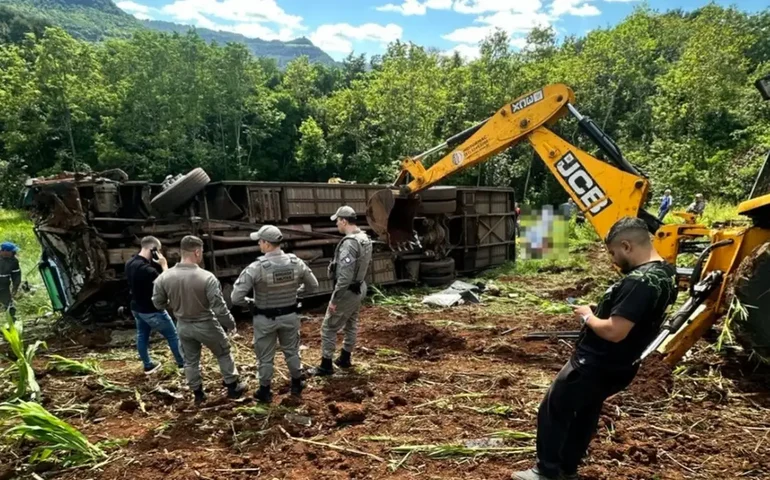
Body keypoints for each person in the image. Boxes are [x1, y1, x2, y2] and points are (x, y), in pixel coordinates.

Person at [513, 217, 677, 480]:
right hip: (622, 364)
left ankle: (546, 472)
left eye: (613, 253)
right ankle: (567, 469)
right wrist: (604, 309)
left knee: (554, 409)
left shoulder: (639, 282)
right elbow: (634, 317)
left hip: (595, 363)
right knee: (585, 412)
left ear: (626, 246)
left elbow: (614, 331)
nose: (613, 260)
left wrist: (588, 316)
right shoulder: (666, 273)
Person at [152, 235, 246, 406]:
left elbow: (158, 303)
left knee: (190, 361)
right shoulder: (207, 277)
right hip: (206, 324)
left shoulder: (164, 278)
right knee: (223, 353)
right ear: (197, 252)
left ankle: (198, 394)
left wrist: (174, 306)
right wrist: (230, 323)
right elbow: (219, 308)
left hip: (183, 325)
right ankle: (233, 387)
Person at [231, 225, 318, 403]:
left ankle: (265, 391)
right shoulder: (296, 262)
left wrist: (250, 303)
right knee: (292, 351)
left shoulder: (256, 267)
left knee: (265, 357)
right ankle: (297, 384)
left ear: (267, 244)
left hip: (265, 319)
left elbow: (236, 297)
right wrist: (296, 292)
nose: (258, 244)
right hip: (290, 316)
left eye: (260, 241)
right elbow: (313, 286)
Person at [310, 206, 372, 376]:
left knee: (328, 327)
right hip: (359, 287)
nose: (336, 224)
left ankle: (326, 365)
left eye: (337, 221)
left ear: (344, 221)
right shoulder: (364, 238)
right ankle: (345, 357)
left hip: (347, 291)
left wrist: (334, 300)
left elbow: (344, 277)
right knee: (351, 323)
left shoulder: (349, 243)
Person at [125, 236, 184, 374]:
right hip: (152, 310)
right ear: (153, 250)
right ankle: (183, 364)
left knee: (142, 335)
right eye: (158, 250)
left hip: (137, 308)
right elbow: (167, 283)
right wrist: (164, 264)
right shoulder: (147, 270)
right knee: (173, 335)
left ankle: (148, 365)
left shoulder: (130, 263)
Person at [0, 242, 21, 321]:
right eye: (12, 251)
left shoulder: (14, 261)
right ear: (4, 251)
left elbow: (16, 275)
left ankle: (12, 323)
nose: (14, 253)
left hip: (4, 287)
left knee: (9, 307)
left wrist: (15, 288)